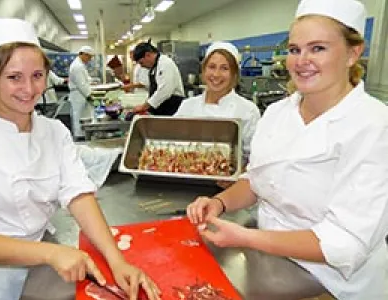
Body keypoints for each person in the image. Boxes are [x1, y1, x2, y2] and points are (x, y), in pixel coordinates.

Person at [0, 18, 161, 300]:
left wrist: (116, 260)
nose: (29, 89)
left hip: (38, 267)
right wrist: (51, 252)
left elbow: (79, 195)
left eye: (37, 75)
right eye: (14, 77)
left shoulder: (54, 132)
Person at [186, 0, 388, 299]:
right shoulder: (278, 113)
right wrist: (219, 203)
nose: (301, 60)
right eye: (295, 49)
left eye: (318, 48)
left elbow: (346, 242)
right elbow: (256, 180)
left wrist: (247, 237)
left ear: (352, 53)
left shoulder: (374, 125)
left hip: (333, 285)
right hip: (271, 266)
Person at [174, 41, 260, 169]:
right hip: (189, 179)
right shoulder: (187, 106)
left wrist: (237, 176)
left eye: (224, 68)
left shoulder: (248, 111)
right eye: (212, 67)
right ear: (203, 70)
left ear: (234, 74)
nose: (216, 74)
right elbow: (172, 144)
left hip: (231, 185)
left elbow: (256, 158)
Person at [132, 41, 185, 115]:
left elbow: (165, 90)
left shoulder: (165, 63)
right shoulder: (155, 66)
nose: (141, 66)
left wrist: (145, 106)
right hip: (161, 109)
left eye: (141, 62)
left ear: (148, 55)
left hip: (172, 108)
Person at [68, 45, 94, 140]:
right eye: (89, 57)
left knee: (81, 115)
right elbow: (81, 84)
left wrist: (92, 81)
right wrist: (89, 96)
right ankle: (79, 137)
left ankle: (82, 134)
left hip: (80, 94)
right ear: (84, 55)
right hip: (78, 95)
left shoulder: (80, 65)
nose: (89, 60)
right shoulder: (77, 66)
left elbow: (85, 78)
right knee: (78, 115)